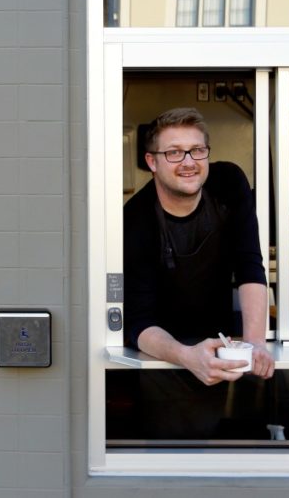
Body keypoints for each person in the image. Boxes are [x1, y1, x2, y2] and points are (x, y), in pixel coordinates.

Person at [116, 108, 274, 439]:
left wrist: (256, 341)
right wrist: (186, 356)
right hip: (163, 355)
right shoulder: (135, 221)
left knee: (239, 447)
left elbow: (249, 265)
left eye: (197, 150)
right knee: (174, 452)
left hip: (220, 343)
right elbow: (138, 322)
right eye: (173, 152)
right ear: (152, 161)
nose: (188, 161)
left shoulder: (229, 183)